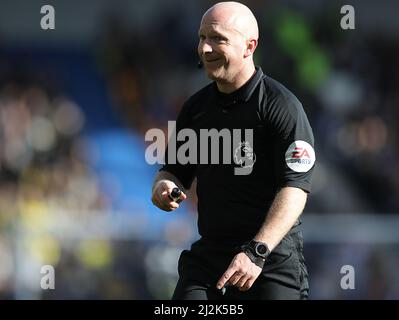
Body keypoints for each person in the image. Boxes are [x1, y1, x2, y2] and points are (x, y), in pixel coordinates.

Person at [151, 1, 315, 300]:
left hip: (271, 261)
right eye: (202, 38)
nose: (205, 49)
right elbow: (174, 171)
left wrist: (257, 251)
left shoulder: (282, 107)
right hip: (210, 259)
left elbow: (295, 189)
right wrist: (164, 185)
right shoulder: (196, 109)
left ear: (249, 46)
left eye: (218, 39)